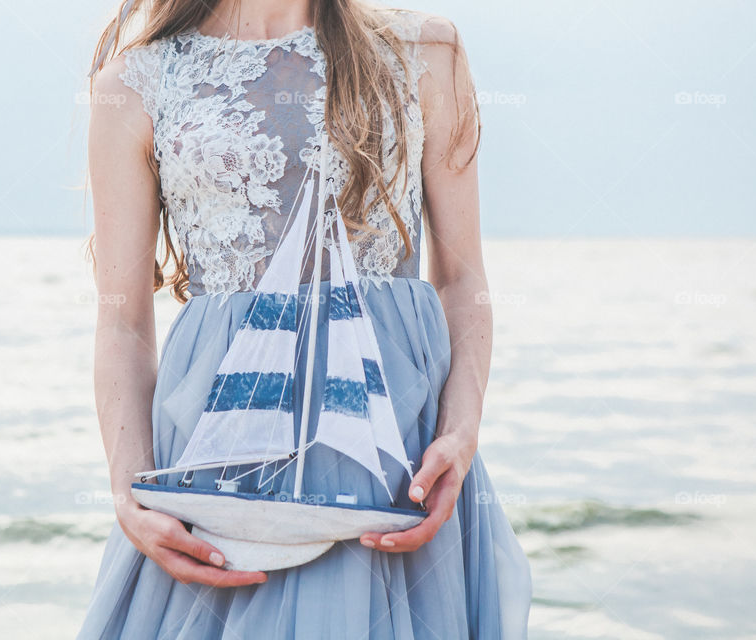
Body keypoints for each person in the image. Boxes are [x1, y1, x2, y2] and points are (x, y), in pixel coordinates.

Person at [78, 0, 532, 637]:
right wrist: (129, 494)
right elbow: (121, 322)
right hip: (218, 469)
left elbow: (462, 280)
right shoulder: (134, 85)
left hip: (394, 458)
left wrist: (461, 432)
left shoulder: (427, 53)